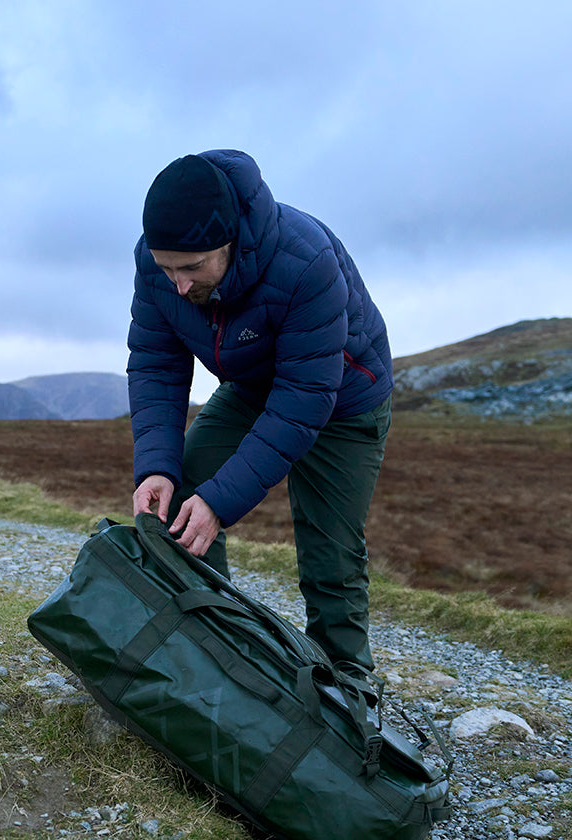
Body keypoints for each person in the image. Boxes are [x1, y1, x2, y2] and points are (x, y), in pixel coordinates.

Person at [127, 149, 393, 671]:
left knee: (330, 557)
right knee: (181, 493)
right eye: (166, 269)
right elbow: (157, 363)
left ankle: (347, 694)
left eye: (192, 268)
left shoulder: (304, 260)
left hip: (341, 399)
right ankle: (214, 650)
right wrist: (156, 465)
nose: (178, 285)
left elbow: (304, 398)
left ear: (231, 241)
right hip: (252, 387)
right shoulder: (157, 264)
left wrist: (221, 502)